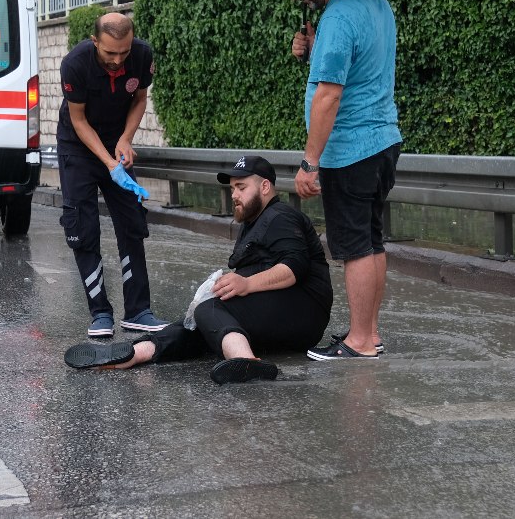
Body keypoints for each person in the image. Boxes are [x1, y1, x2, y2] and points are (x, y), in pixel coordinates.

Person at [63, 156, 333, 383]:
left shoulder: (281, 216)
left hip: (304, 310)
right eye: (232, 189)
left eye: (241, 187)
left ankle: (246, 361)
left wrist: (247, 284)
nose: (235, 195)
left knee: (210, 309)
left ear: (265, 187)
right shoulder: (255, 222)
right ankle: (136, 353)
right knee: (197, 322)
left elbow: (294, 267)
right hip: (284, 313)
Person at [278, 0, 402, 360]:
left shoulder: (336, 17)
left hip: (350, 148)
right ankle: (370, 333)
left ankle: (361, 341)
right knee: (369, 239)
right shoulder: (375, 0)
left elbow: (329, 94)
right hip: (383, 139)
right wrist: (316, 48)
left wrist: (309, 162)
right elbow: (363, 63)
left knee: (353, 246)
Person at [58, 12, 168, 338]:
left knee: (132, 222)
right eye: (110, 53)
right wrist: (108, 162)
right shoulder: (75, 64)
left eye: (124, 51)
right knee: (83, 227)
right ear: (95, 42)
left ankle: (138, 311)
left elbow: (139, 99)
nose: (118, 60)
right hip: (79, 146)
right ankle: (100, 313)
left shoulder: (142, 55)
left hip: (116, 143)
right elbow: (78, 122)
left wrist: (126, 139)